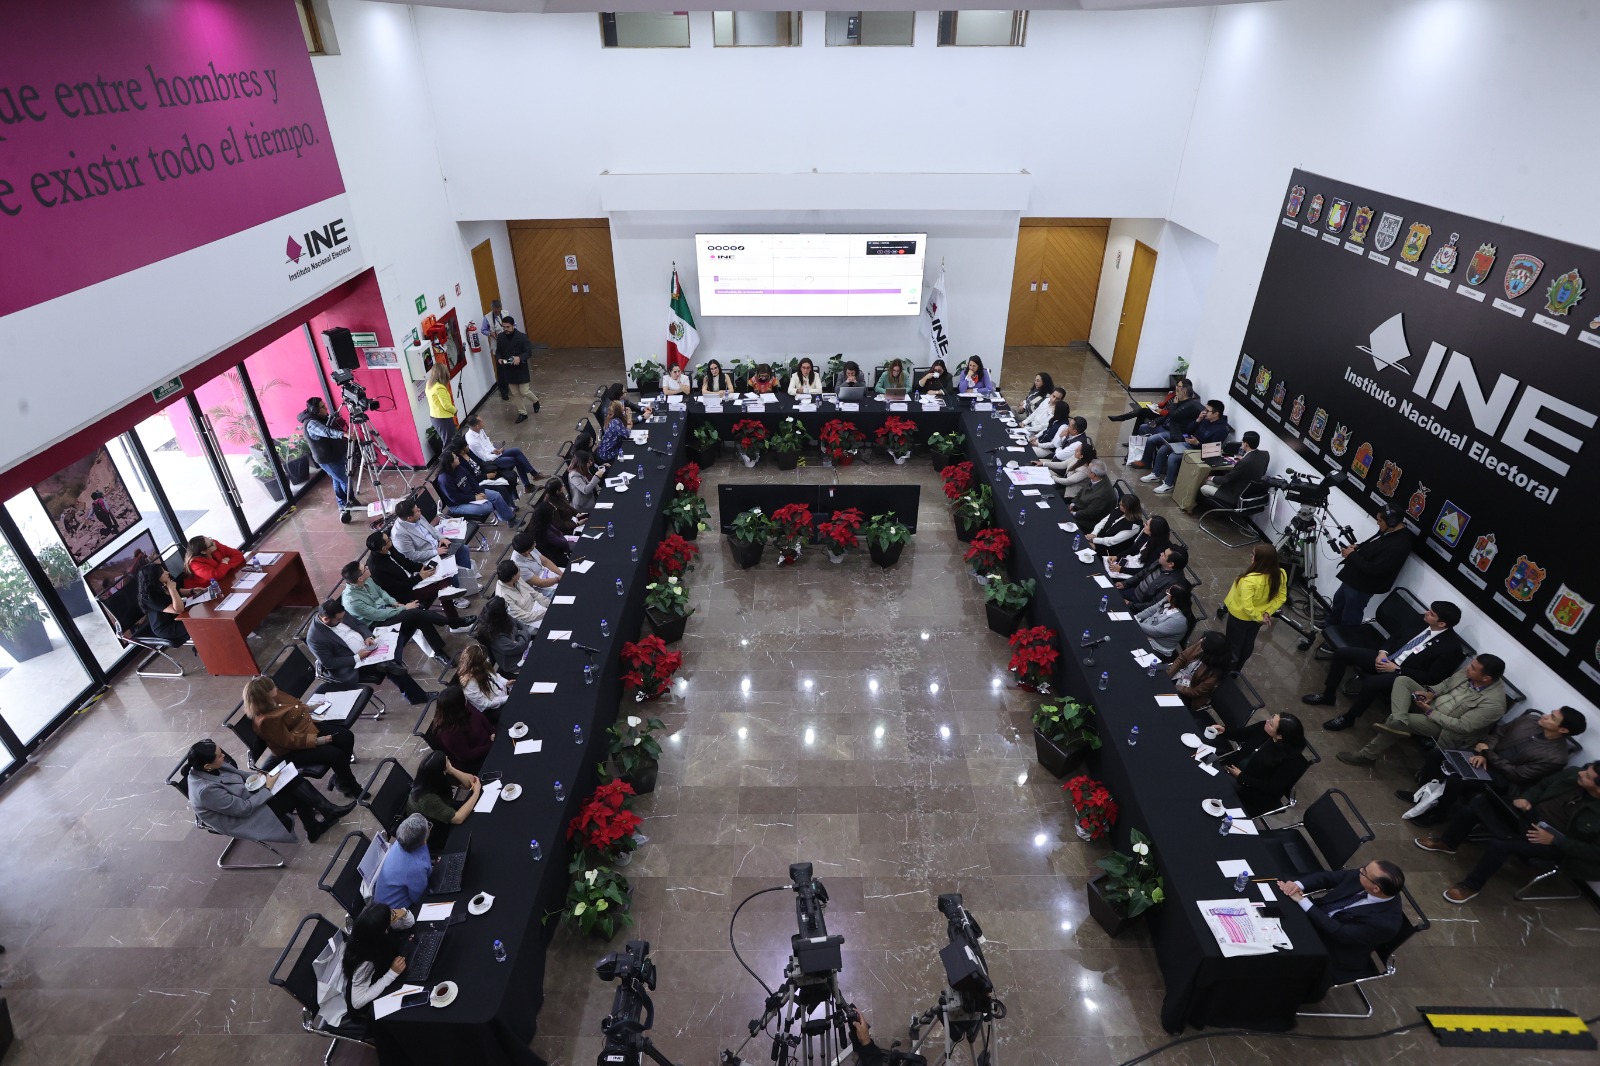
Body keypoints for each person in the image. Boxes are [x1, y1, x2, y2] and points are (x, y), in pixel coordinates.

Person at [1417, 762, 1600, 904]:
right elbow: (1543, 785)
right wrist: (1527, 798)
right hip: (1528, 815)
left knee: (1500, 845)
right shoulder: (1573, 774)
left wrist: (1556, 840)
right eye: (1586, 770)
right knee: (1480, 801)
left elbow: (1594, 851)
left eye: (1588, 776)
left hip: (1553, 841)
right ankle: (1448, 843)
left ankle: (1471, 886)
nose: (1581, 773)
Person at [1405, 707, 1585, 828]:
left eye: (1552, 718)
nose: (1546, 715)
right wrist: (1483, 753)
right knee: (1438, 754)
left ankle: (1438, 814)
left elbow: (1517, 775)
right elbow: (1498, 733)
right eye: (1550, 712)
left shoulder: (1556, 757)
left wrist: (1488, 755)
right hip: (1483, 757)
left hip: (1502, 778)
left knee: (1457, 779)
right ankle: (1420, 794)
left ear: (1563, 730)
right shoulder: (1529, 720)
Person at [1305, 600, 1463, 731]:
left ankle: (1349, 718)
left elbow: (1433, 677)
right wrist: (1382, 652)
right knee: (1342, 653)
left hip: (1403, 674)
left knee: (1372, 683)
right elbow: (1395, 638)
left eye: (1431, 614)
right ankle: (1328, 695)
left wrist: (1397, 669)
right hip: (1388, 658)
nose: (1426, 613)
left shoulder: (1451, 648)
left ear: (1442, 623)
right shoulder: (1420, 621)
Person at [1338, 655, 1508, 768]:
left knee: (1401, 722)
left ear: (1486, 679)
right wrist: (1430, 693)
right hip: (1431, 704)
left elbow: (1462, 727)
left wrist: (1430, 713)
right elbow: (1447, 683)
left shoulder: (1494, 704)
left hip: (1444, 727)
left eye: (1473, 668)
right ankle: (1399, 720)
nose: (1468, 669)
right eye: (1471, 665)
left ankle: (1367, 756)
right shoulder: (1471, 672)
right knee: (1403, 680)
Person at [184, 738, 351, 845]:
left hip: (249, 795)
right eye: (220, 756)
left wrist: (263, 776)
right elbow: (243, 809)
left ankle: (322, 818)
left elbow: (241, 775)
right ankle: (319, 821)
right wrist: (269, 787)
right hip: (242, 817)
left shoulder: (211, 765)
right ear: (207, 766)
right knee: (295, 794)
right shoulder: (205, 791)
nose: (224, 757)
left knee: (292, 780)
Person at [1275, 861, 1406, 987]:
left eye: (1364, 872)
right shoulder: (1367, 876)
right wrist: (1298, 885)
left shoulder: (1385, 923)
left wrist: (1303, 901)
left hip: (1332, 948)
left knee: (1278, 951)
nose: (1360, 870)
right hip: (1317, 918)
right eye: (1364, 867)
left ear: (1376, 888)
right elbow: (1328, 878)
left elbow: (1340, 933)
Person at [244, 674, 362, 798]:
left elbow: (294, 707)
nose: (276, 688)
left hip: (304, 728)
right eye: (272, 687)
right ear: (264, 696)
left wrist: (310, 708)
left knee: (346, 737)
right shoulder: (265, 721)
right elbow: (289, 741)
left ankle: (342, 781)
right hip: (291, 751)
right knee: (335, 755)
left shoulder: (274, 695)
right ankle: (352, 786)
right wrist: (317, 741)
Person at [307, 599, 431, 705]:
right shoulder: (315, 638)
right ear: (326, 619)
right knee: (392, 669)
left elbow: (358, 623)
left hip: (368, 646)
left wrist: (368, 637)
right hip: (353, 664)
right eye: (339, 620)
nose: (342, 620)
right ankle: (417, 696)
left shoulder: (338, 613)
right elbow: (329, 663)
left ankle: (391, 663)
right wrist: (357, 657)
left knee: (397, 635)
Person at [340, 560, 453, 666]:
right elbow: (378, 615)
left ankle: (439, 651)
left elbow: (381, 592)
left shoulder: (367, 579)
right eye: (364, 568)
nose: (367, 567)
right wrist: (404, 608)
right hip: (377, 625)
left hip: (387, 610)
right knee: (415, 612)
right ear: (360, 578)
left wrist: (395, 603)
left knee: (418, 616)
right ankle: (452, 622)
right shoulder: (351, 601)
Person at [1327, 506, 1415, 627]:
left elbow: (1374, 569)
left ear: (1392, 522)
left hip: (1363, 585)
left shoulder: (1399, 545)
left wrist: (1351, 555)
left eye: (1380, 521)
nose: (1377, 523)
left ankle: (1341, 641)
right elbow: (1376, 544)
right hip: (1353, 577)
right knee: (1338, 602)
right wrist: (1358, 547)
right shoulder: (1389, 531)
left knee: (1350, 615)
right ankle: (1329, 628)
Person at [364, 531, 472, 629]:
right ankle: (455, 622)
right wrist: (420, 577)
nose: (391, 540)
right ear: (383, 547)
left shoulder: (388, 547)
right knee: (441, 587)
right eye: (388, 540)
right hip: (404, 593)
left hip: (411, 579)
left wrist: (422, 567)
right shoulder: (376, 568)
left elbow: (405, 561)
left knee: (444, 576)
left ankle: (453, 617)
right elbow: (397, 588)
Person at [1218, 713, 1309, 817]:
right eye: (1271, 718)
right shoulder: (1264, 728)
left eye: (1271, 724)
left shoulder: (1292, 762)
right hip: (1232, 769)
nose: (1267, 722)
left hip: (1251, 793)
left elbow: (1270, 788)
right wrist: (1224, 730)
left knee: (1214, 790)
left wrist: (1241, 777)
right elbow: (1241, 734)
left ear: (1280, 736)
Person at [1221, 543, 1287, 670]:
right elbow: (1281, 597)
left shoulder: (1249, 581)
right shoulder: (1281, 574)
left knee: (1232, 646)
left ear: (1260, 560)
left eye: (1253, 555)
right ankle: (1236, 671)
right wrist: (1266, 614)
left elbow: (1247, 606)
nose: (1251, 556)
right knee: (1247, 644)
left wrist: (1259, 617)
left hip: (1240, 618)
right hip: (1259, 618)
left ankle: (1226, 671)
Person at [1144, 399, 1230, 493]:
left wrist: (1197, 443)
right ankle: (1155, 474)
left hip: (1200, 452)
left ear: (1216, 414)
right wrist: (1198, 420)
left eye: (1207, 411)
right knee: (1163, 449)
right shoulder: (1205, 419)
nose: (1204, 412)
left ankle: (1168, 484)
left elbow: (1211, 450)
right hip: (1191, 444)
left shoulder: (1221, 430)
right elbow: (1188, 430)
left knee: (1172, 457)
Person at [340, 903, 407, 1020]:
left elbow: (409, 925)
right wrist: (392, 973)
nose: (393, 916)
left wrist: (404, 913)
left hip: (382, 972)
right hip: (370, 1002)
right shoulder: (364, 963)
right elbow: (357, 1003)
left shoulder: (372, 934)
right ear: (382, 931)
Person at [298, 397, 356, 511]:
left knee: (337, 479)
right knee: (346, 480)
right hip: (327, 459)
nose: (326, 409)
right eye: (323, 407)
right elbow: (326, 432)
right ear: (316, 411)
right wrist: (345, 435)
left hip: (335, 454)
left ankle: (342, 503)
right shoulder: (311, 423)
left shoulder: (320, 417)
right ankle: (349, 501)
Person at [371, 813, 433, 919]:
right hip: (396, 916)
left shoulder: (403, 841)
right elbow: (419, 898)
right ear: (423, 838)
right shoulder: (415, 867)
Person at [390, 496, 475, 573]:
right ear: (409, 518)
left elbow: (430, 528)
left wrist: (441, 538)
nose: (420, 510)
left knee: (463, 549)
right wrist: (435, 552)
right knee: (449, 570)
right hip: (428, 557)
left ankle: (468, 575)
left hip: (438, 545)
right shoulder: (399, 535)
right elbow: (413, 556)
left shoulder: (416, 515)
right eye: (417, 511)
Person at [406, 750, 481, 834]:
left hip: (443, 809)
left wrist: (451, 769)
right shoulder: (427, 799)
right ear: (441, 770)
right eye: (447, 761)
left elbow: (470, 782)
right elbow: (458, 818)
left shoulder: (436, 775)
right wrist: (476, 792)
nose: (449, 762)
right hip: (434, 831)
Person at [1129, 385, 1203, 469]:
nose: (1176, 394)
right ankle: (1139, 454)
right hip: (1166, 426)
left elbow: (1173, 416)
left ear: (1184, 393)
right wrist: (1157, 421)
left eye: (1178, 392)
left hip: (1174, 432)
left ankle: (1146, 462)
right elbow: (1167, 416)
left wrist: (1174, 405)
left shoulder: (1188, 406)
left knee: (1151, 439)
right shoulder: (1181, 402)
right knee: (1143, 427)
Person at [436, 447, 514, 524]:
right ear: (450, 463)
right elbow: (455, 498)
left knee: (496, 496)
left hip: (470, 493)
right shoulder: (444, 479)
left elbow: (472, 481)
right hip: (458, 505)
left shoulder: (458, 467)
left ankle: (510, 519)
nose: (458, 458)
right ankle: (502, 515)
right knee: (488, 506)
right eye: (455, 458)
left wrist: (480, 491)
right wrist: (474, 498)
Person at [464, 414, 541, 491]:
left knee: (516, 450)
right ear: (477, 426)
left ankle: (534, 474)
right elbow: (485, 458)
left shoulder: (480, 430)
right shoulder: (472, 442)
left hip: (493, 454)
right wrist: (499, 453)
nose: (483, 422)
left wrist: (494, 450)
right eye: (481, 421)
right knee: (516, 460)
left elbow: (487, 443)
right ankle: (527, 485)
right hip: (490, 462)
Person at [430, 684, 496, 773]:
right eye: (463, 697)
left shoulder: (464, 706)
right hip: (477, 761)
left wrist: (491, 731)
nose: (466, 698)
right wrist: (492, 746)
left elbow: (479, 716)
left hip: (488, 743)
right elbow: (466, 755)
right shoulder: (449, 732)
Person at [1199, 431, 1271, 507]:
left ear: (1246, 444)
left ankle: (1206, 507)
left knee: (1205, 486)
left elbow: (1227, 479)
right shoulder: (1265, 455)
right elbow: (1262, 472)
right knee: (1210, 483)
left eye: (1242, 442)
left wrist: (1212, 477)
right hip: (1248, 492)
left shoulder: (1244, 462)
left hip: (1234, 495)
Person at [1166, 631, 1231, 709]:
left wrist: (1175, 687)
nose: (1201, 640)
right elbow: (1182, 657)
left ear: (1210, 650)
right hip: (1180, 676)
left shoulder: (1214, 674)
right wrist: (1168, 675)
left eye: (1204, 640)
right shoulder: (1201, 645)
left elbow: (1194, 692)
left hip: (1189, 694)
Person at [472, 596, 534, 675]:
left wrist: (520, 636)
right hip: (516, 663)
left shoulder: (505, 618)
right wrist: (522, 635)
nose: (508, 607)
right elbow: (519, 646)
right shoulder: (495, 636)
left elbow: (520, 624)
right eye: (506, 606)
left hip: (524, 649)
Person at [451, 433, 519, 505]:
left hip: (484, 473)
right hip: (478, 481)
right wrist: (486, 476)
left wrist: (489, 470)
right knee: (502, 488)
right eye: (466, 445)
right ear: (462, 450)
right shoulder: (460, 463)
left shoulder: (469, 452)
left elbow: (480, 462)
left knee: (510, 476)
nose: (468, 446)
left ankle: (512, 499)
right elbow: (470, 478)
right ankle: (510, 505)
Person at [1117, 546, 1189, 613]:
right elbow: (1143, 573)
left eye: (1164, 554)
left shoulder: (1174, 583)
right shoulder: (1161, 562)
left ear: (1170, 564)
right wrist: (1125, 583)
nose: (1161, 554)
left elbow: (1154, 604)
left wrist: (1130, 604)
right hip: (1134, 591)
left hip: (1140, 605)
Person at [496, 315, 538, 422]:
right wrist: (499, 358)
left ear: (513, 326)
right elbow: (498, 351)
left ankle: (535, 400)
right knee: (515, 393)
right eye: (504, 327)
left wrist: (519, 357)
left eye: (508, 327)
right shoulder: (501, 337)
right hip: (509, 369)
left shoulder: (522, 337)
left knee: (524, 391)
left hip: (520, 369)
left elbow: (528, 352)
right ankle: (522, 413)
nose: (505, 329)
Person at [1136, 583, 1195, 658]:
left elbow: (1155, 632)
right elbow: (1151, 610)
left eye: (1168, 593)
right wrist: (1135, 617)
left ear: (1175, 599)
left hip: (1156, 647)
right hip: (1145, 630)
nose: (1167, 594)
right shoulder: (1169, 599)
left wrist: (1136, 623)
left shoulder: (1179, 620)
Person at [457, 643, 511, 722]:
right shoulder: (469, 684)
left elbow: (495, 676)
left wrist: (506, 683)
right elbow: (485, 704)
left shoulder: (483, 665)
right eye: (485, 659)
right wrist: (506, 699)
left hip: (502, 694)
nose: (487, 660)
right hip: (492, 709)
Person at [137, 560, 187, 644]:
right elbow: (179, 609)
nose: (167, 572)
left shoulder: (162, 584)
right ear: (155, 577)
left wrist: (192, 591)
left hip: (176, 617)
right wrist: (172, 589)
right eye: (163, 572)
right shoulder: (149, 597)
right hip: (166, 626)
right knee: (197, 623)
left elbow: (179, 591)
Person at [1108, 378, 1189, 428]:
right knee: (1142, 412)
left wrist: (1160, 411)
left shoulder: (1183, 400)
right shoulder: (1174, 393)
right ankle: (1134, 438)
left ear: (1185, 389)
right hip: (1159, 411)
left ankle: (1121, 419)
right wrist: (1157, 406)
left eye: (1179, 386)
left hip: (1163, 417)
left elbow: (1172, 414)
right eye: (1177, 385)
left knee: (1142, 411)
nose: (1176, 388)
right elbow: (1164, 403)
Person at [494, 558, 548, 629]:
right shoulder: (503, 597)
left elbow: (534, 593)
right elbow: (524, 617)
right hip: (527, 622)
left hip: (537, 608)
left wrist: (549, 604)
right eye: (519, 571)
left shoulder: (516, 578)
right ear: (513, 576)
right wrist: (545, 612)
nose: (520, 572)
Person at [509, 528, 564, 596]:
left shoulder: (529, 546)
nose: (535, 545)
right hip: (540, 585)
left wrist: (560, 573)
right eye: (533, 547)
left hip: (547, 572)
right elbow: (540, 583)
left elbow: (545, 561)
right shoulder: (518, 565)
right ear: (527, 551)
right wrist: (558, 579)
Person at [1066, 460, 1116, 530]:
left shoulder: (1103, 494)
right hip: (1081, 508)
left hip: (1090, 521)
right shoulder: (1096, 477)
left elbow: (1090, 513)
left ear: (1093, 474)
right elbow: (1082, 491)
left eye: (1088, 469)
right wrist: (1073, 503)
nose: (1086, 470)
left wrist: (1074, 513)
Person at [525, 495, 572, 567]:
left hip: (553, 550)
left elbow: (559, 533)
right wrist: (561, 536)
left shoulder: (537, 523)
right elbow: (563, 542)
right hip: (554, 556)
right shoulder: (546, 532)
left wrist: (560, 535)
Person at [425, 360, 457, 446]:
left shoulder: (429, 384)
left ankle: (452, 458)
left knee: (446, 441)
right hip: (443, 418)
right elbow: (446, 405)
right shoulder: (439, 388)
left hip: (435, 417)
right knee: (448, 443)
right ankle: (448, 459)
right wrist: (455, 410)